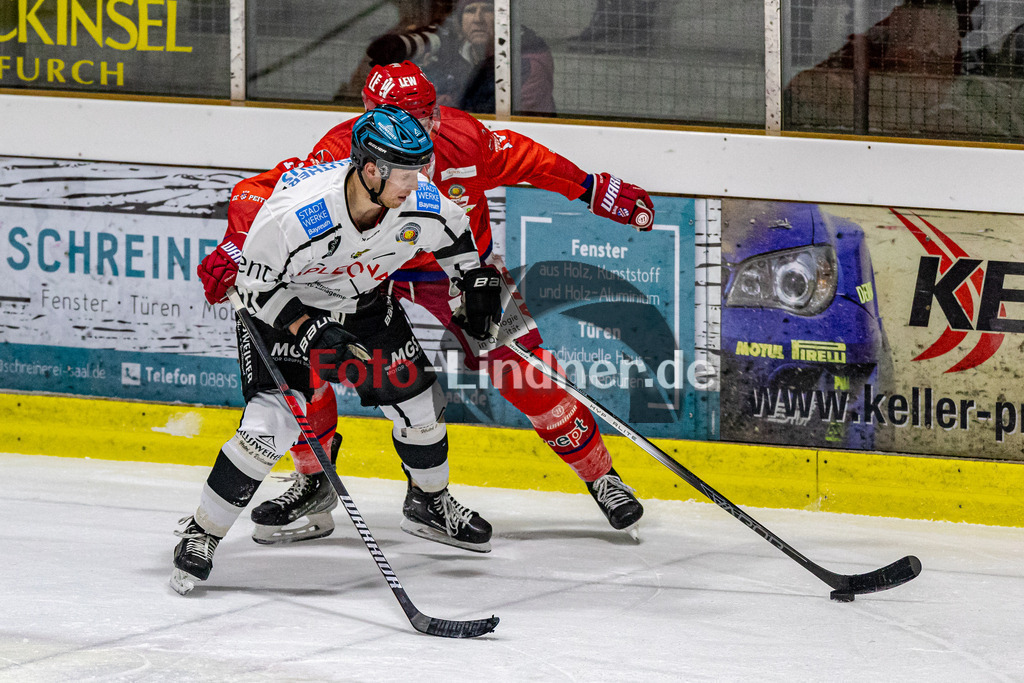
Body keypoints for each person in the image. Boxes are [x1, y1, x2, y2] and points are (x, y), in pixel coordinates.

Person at [197, 61, 655, 550]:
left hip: (457, 269)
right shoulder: (341, 149)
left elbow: (530, 159)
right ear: (370, 116)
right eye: (404, 116)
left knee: (525, 368)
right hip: (364, 272)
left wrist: (591, 188)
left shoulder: (467, 138)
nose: (423, 128)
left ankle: (601, 477)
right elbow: (272, 198)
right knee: (315, 362)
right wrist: (236, 242)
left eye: (427, 113)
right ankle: (314, 480)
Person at [171, 105, 501, 595]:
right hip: (284, 309)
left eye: (422, 169)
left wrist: (472, 281)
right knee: (272, 425)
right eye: (407, 173)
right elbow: (254, 289)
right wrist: (308, 329)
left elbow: (454, 234)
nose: (419, 183)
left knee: (421, 406)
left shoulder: (418, 198)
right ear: (371, 169)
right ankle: (202, 534)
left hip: (364, 304)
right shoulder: (295, 215)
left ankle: (430, 502)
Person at [363, 0, 555, 114]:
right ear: (461, 22)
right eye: (470, 11)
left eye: (487, 10)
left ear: (503, 18)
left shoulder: (527, 61)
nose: (478, 19)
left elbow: (489, 120)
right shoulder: (459, 54)